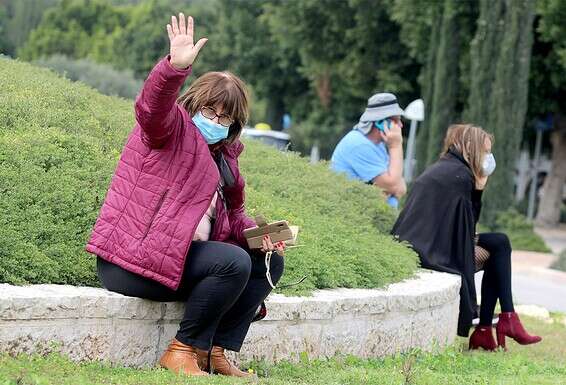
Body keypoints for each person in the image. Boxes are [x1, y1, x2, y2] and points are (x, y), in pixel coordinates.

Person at [85, 13, 285, 377]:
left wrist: (261, 235)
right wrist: (174, 69)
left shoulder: (226, 159)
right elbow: (151, 107)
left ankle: (214, 352)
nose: (216, 121)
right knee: (233, 262)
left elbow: (234, 217)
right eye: (210, 110)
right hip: (131, 262)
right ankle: (181, 350)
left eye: (226, 119)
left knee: (264, 263)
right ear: (194, 104)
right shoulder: (169, 130)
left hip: (178, 262)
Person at [392, 124, 542, 350]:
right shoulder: (459, 176)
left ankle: (496, 324)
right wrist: (478, 189)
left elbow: (462, 226)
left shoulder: (449, 167)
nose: (489, 158)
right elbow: (468, 230)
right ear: (471, 148)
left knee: (500, 242)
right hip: (433, 251)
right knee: (498, 248)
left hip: (428, 241)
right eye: (486, 151)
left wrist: (478, 189)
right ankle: (496, 324)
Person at [330, 93, 406, 208]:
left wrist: (389, 188)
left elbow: (402, 188)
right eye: (396, 120)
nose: (400, 125)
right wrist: (395, 146)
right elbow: (394, 186)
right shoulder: (360, 145)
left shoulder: (377, 144)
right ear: (381, 123)